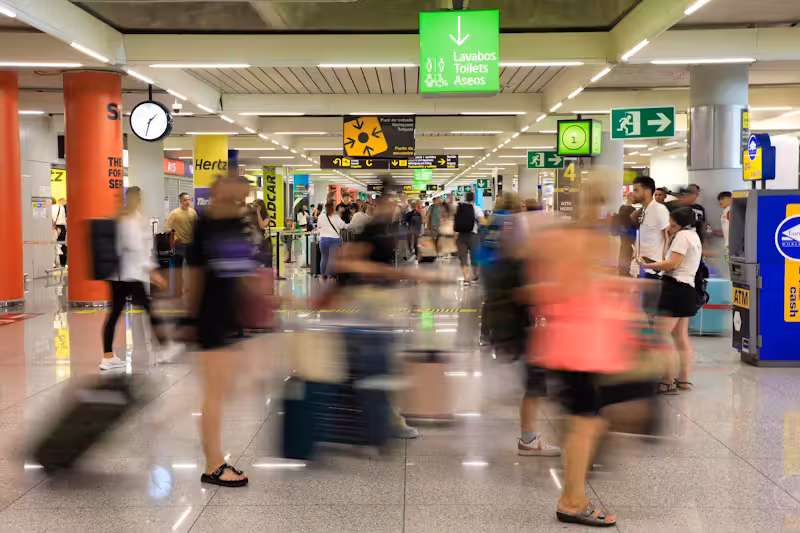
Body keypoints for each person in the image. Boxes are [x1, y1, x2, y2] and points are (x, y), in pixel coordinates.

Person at [524, 179, 629, 527]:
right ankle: (572, 500)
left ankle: (572, 495)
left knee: (583, 423)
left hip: (572, 346)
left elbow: (545, 288)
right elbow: (569, 289)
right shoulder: (585, 242)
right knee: (584, 425)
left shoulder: (561, 239)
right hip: (579, 349)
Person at [186, 175, 255, 488]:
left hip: (228, 316)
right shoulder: (206, 225)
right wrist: (190, 319)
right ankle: (213, 465)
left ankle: (213, 460)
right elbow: (195, 276)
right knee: (214, 393)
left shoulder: (235, 223)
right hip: (211, 316)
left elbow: (241, 273)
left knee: (221, 390)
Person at [99, 187, 171, 370]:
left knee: (116, 314)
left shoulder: (123, 216)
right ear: (134, 199)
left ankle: (108, 356)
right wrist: (152, 271)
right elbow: (135, 247)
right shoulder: (129, 218)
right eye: (137, 197)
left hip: (120, 275)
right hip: (129, 275)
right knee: (148, 309)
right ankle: (164, 348)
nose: (139, 200)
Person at [638, 207, 703, 393]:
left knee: (660, 335)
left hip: (675, 288)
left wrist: (647, 265)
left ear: (681, 224)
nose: (669, 226)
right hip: (687, 288)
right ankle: (683, 380)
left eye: (672, 224)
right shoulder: (693, 236)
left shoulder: (682, 236)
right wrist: (668, 239)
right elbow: (670, 258)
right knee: (681, 337)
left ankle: (667, 380)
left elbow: (672, 264)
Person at [630, 176, 670, 282]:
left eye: (636, 190)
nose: (633, 194)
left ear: (647, 191)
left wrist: (664, 264)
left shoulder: (659, 209)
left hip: (653, 269)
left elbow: (669, 237)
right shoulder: (644, 210)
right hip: (642, 267)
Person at [454, 191, 484, 285]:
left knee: (463, 257)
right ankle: (475, 276)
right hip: (473, 234)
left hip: (460, 235)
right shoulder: (476, 208)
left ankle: (466, 278)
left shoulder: (459, 208)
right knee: (474, 256)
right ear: (474, 198)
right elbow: (482, 221)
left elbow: (454, 221)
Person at [164, 193, 198, 269]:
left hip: (191, 244)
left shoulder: (193, 212)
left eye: (189, 199)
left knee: (192, 267)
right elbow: (167, 226)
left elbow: (197, 226)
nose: (187, 202)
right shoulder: (175, 213)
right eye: (185, 200)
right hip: (179, 244)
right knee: (178, 267)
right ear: (180, 201)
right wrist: (175, 238)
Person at [318, 200, 347, 280]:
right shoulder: (336, 217)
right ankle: (330, 276)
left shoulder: (321, 216)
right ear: (333, 208)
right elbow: (342, 226)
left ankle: (322, 275)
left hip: (323, 239)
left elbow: (319, 225)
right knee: (332, 258)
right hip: (334, 239)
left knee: (324, 257)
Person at [612, 192, 638, 277]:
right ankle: (626, 271)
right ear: (631, 198)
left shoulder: (622, 207)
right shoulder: (632, 209)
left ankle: (621, 270)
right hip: (630, 232)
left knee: (623, 251)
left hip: (623, 232)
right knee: (628, 252)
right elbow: (633, 221)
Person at [248, 199, 271, 267]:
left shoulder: (266, 216)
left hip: (262, 242)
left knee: (262, 261)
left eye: (256, 206)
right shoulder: (249, 215)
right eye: (253, 205)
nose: (253, 207)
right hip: (251, 240)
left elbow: (262, 226)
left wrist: (258, 213)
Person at [52, 197, 67, 267]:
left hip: (55, 228)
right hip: (62, 228)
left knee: (54, 246)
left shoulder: (50, 208)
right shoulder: (62, 208)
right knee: (62, 245)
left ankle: (55, 263)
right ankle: (63, 263)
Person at [718, 191, 732, 261]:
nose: (720, 201)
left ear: (730, 198)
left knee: (730, 263)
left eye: (723, 199)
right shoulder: (725, 211)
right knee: (727, 262)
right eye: (719, 199)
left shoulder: (731, 210)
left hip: (732, 246)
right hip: (727, 245)